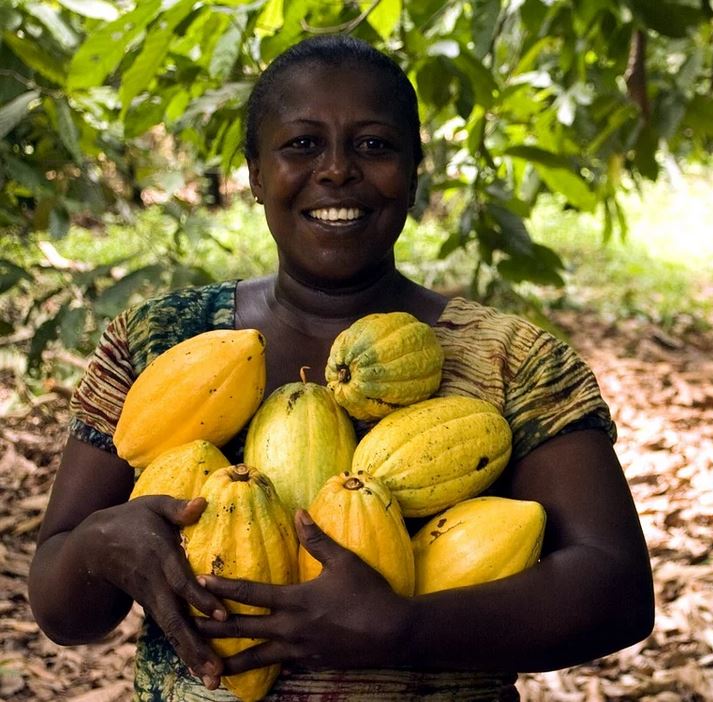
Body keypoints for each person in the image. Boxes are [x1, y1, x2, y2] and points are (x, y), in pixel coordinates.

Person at [28, 34, 654, 701]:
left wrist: (406, 629)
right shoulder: (158, 340)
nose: (335, 171)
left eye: (373, 145)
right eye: (301, 145)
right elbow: (63, 612)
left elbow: (615, 591)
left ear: (414, 171)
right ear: (254, 174)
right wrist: (99, 546)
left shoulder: (511, 360)